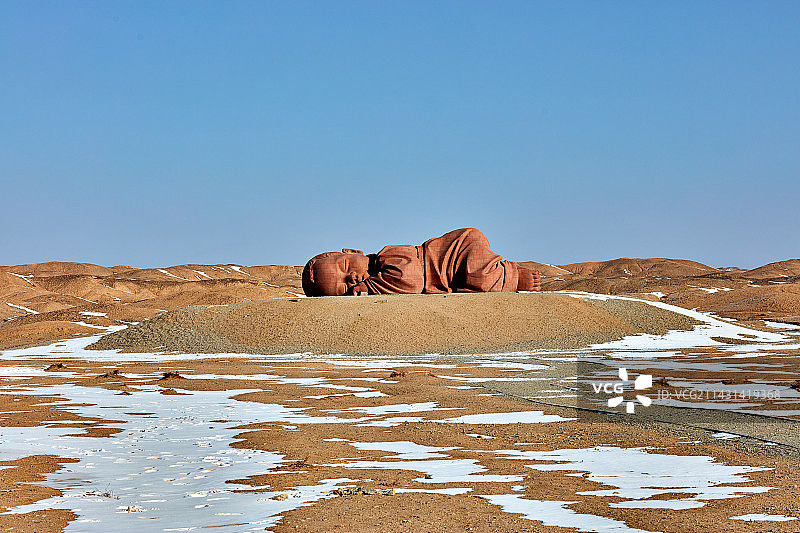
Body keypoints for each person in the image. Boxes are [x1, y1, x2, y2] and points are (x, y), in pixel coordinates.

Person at [302, 228, 541, 296]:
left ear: (353, 251)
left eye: (345, 267)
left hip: (455, 252)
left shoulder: (386, 256)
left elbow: (412, 280)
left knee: (481, 276)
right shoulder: (381, 278)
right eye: (344, 286)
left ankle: (515, 275)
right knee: (476, 287)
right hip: (448, 278)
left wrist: (371, 287)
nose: (353, 277)